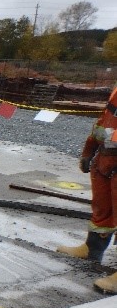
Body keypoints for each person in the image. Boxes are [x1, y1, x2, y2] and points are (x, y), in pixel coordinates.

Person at [57, 85, 117, 293]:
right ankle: (92, 248)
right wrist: (89, 149)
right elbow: (105, 121)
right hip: (106, 159)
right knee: (102, 209)